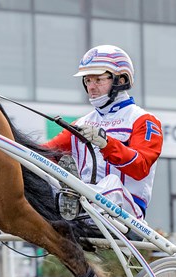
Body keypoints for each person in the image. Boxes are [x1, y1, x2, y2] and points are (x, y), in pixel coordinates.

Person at [44, 45, 163, 221]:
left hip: (127, 213)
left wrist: (107, 144)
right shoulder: (81, 123)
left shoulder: (143, 120)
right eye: (87, 81)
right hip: (85, 206)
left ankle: (76, 202)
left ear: (121, 80)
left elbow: (141, 167)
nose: (91, 87)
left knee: (112, 184)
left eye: (98, 80)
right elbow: (45, 153)